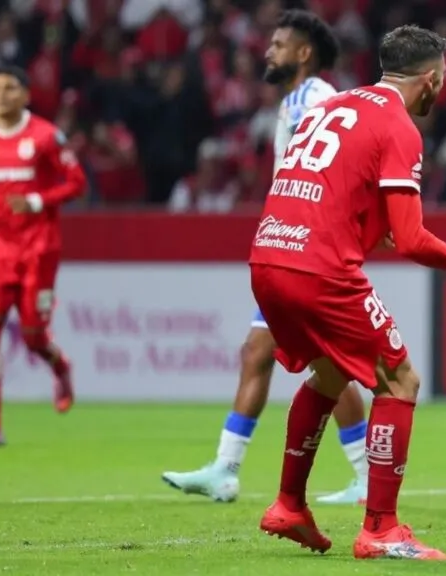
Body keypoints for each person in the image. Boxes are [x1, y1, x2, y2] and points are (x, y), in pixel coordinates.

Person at [251, 25, 446, 561]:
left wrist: (372, 225)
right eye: (443, 81)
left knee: (328, 372)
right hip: (320, 270)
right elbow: (412, 239)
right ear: (431, 79)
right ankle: (381, 528)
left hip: (268, 256)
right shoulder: (400, 126)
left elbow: (329, 188)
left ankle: (289, 504)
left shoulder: (333, 104)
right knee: (400, 379)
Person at [162, 10, 370, 505]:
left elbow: (338, 162)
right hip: (292, 245)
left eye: (278, 44)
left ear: (303, 53)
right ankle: (225, 469)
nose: (268, 51)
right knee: (259, 353)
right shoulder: (295, 101)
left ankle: (366, 477)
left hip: (309, 247)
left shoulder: (316, 98)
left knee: (328, 364)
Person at [0, 66, 87, 447]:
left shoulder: (45, 137)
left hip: (39, 248)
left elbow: (77, 183)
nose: (1, 94)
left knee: (32, 336)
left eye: (10, 88)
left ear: (25, 96)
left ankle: (60, 365)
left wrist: (37, 200)